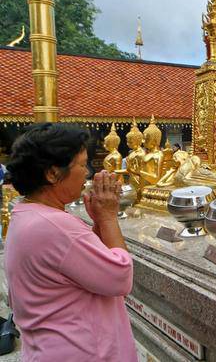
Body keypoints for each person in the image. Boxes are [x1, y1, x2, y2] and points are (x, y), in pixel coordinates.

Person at [3, 123, 136, 361]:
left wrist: (97, 224)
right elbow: (120, 277)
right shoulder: (56, 226)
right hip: (79, 351)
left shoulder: (29, 214)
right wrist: (108, 217)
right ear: (53, 173)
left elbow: (84, 269)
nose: (87, 173)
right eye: (82, 164)